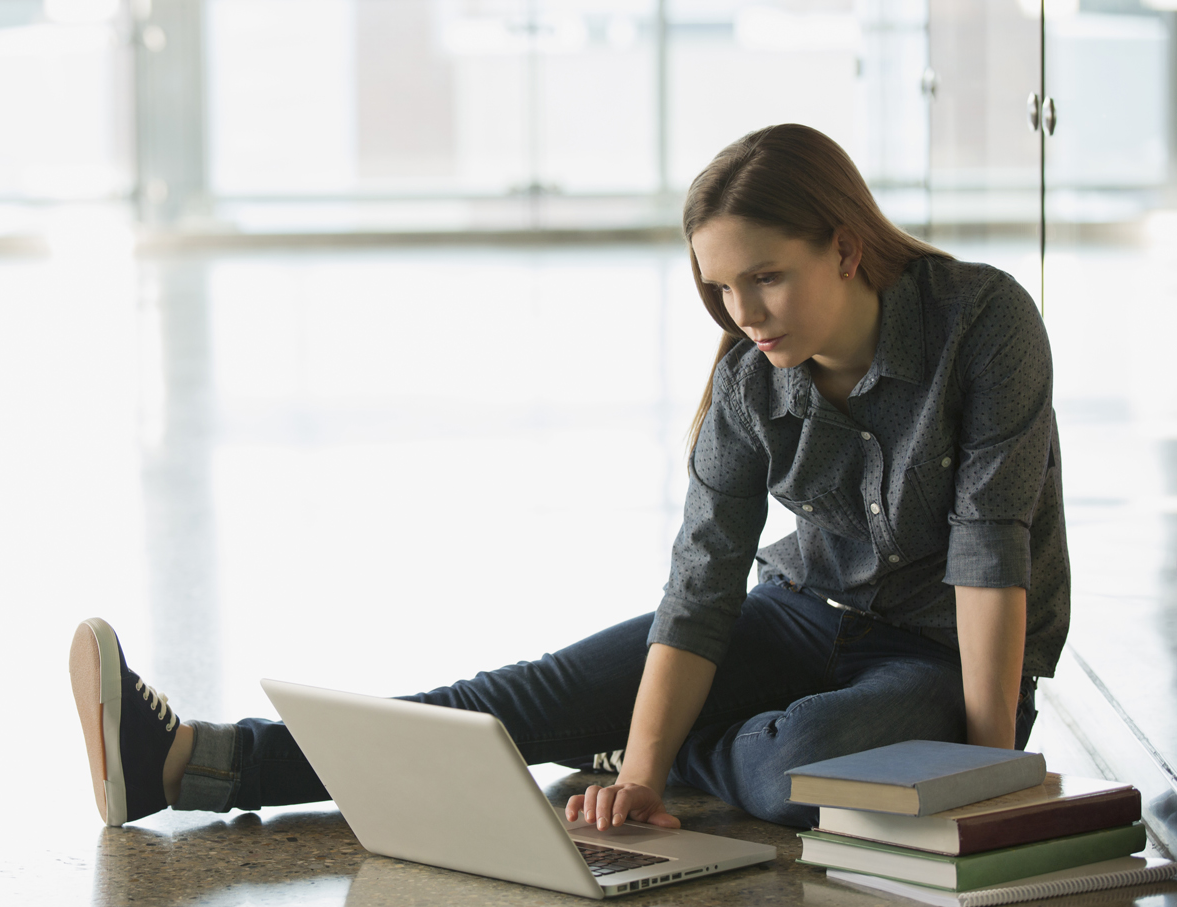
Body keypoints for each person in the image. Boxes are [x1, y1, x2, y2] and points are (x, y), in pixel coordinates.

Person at [69, 123, 1068, 832]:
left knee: (787, 765)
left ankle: (650, 743)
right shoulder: (746, 377)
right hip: (803, 612)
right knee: (531, 690)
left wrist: (989, 771)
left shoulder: (982, 326)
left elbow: (990, 554)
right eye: (720, 288)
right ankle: (201, 762)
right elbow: (705, 580)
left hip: (941, 654)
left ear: (844, 248)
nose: (744, 312)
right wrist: (634, 773)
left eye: (765, 275)